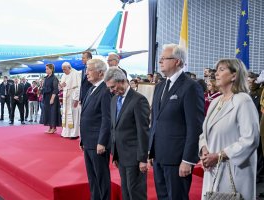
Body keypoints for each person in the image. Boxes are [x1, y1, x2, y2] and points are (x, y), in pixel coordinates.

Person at [148, 44, 204, 200]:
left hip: (178, 159)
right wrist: (151, 150)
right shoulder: (159, 86)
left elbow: (195, 127)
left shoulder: (191, 87)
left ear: (177, 61)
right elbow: (156, 121)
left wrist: (188, 159)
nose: (160, 61)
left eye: (164, 58)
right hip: (159, 156)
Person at [199, 58, 259, 200]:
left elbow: (250, 139)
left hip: (234, 170)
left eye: (221, 70)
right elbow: (205, 133)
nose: (216, 74)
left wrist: (220, 155)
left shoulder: (243, 100)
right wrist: (204, 149)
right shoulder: (215, 102)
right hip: (212, 168)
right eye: (216, 70)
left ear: (234, 75)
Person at [105, 68, 150, 200]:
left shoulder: (139, 100)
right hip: (121, 156)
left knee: (136, 193)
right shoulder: (114, 100)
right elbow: (114, 128)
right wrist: (115, 154)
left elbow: (143, 131)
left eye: (113, 86)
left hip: (134, 157)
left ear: (123, 81)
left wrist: (142, 159)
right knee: (126, 192)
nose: (111, 90)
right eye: (109, 87)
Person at [79, 58, 112, 200]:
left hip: (98, 142)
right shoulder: (92, 89)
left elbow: (107, 118)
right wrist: (83, 140)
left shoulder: (105, 90)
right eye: (87, 69)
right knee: (92, 178)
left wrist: (102, 142)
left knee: (101, 177)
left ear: (100, 72)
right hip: (88, 141)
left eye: (90, 69)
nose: (87, 73)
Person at [60, 62, 81, 139]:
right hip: (66, 97)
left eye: (65, 69)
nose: (63, 71)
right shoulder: (64, 74)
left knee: (74, 115)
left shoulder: (76, 73)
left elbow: (78, 87)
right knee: (65, 115)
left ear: (69, 67)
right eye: (63, 69)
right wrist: (61, 85)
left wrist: (76, 99)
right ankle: (66, 132)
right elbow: (62, 85)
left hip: (73, 97)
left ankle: (74, 134)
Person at [42, 63, 62, 133]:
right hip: (47, 98)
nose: (46, 70)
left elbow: (55, 89)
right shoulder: (46, 78)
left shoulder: (54, 78)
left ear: (52, 69)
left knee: (53, 112)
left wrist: (52, 98)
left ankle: (54, 128)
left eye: (47, 69)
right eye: (46, 69)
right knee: (48, 113)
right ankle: (50, 127)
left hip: (52, 97)